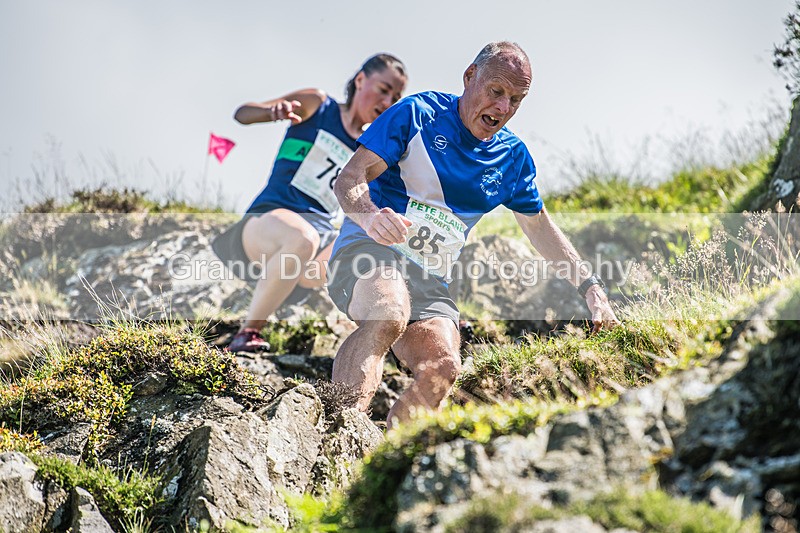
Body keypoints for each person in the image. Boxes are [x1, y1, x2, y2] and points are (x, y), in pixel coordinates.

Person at [327, 41, 620, 429]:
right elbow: (349, 178)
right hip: (370, 248)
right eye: (496, 92)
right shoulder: (419, 114)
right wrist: (368, 218)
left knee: (443, 367)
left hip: (429, 277)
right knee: (388, 312)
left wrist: (591, 288)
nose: (502, 108)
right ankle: (335, 432)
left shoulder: (512, 158)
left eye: (516, 100)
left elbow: (539, 227)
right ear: (469, 77)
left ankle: (378, 458)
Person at [213, 54, 407, 352]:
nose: (387, 101)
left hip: (312, 257)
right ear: (360, 80)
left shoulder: (372, 148)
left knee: (373, 252)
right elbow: (242, 114)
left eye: (395, 97)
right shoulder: (318, 105)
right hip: (269, 225)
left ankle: (396, 341)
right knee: (303, 238)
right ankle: (248, 332)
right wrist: (273, 112)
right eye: (384, 89)